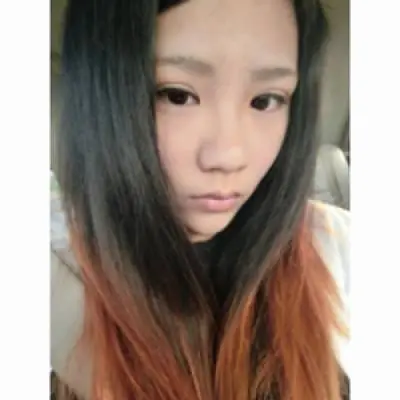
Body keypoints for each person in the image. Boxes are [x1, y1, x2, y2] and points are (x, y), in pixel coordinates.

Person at [51, 0, 350, 399]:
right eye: (176, 96)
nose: (228, 156)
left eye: (266, 100)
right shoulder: (51, 278)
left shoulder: (341, 249)